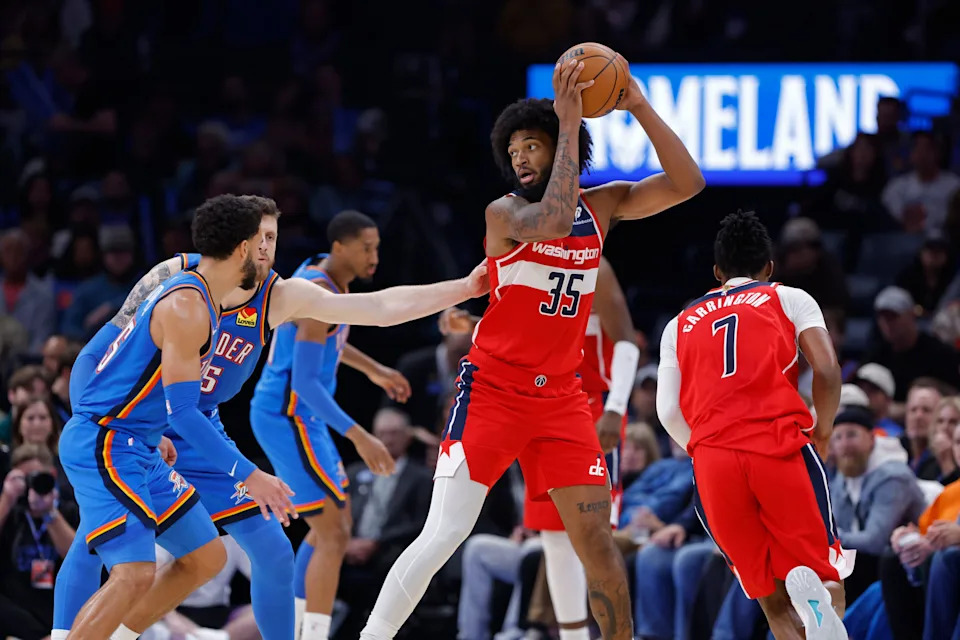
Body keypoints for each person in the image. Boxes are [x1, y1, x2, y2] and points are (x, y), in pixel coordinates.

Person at [360, 54, 704, 640]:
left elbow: (687, 183)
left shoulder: (601, 208)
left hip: (563, 402)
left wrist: (639, 105)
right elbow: (550, 220)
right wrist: (567, 123)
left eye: (531, 146)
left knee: (596, 541)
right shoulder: (505, 214)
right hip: (493, 390)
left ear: (559, 147)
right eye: (513, 151)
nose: (520, 158)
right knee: (444, 533)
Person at [53, 196, 489, 639]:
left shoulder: (278, 296)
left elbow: (376, 309)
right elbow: (98, 351)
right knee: (105, 547)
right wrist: (88, 417)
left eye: (273, 238)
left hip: (193, 427)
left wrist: (464, 287)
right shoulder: (178, 281)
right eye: (259, 238)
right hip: (127, 428)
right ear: (239, 243)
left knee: (256, 552)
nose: (266, 249)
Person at [656, 210, 853, 640]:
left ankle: (797, 615)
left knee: (770, 600)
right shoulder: (788, 297)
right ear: (769, 268)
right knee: (825, 573)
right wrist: (822, 427)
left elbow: (667, 411)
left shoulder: (679, 323)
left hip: (713, 462)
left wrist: (707, 446)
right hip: (777, 444)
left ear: (716, 272)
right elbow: (828, 369)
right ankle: (823, 610)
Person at [440, 255, 640, 640]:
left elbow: (627, 342)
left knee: (592, 537)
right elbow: (517, 330)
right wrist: (468, 325)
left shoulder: (594, 266)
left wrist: (615, 409)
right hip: (544, 404)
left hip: (593, 407)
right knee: (553, 535)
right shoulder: (538, 264)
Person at [249, 210, 412, 640]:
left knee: (332, 529)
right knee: (332, 532)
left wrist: (373, 369)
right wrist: (359, 436)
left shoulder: (325, 275)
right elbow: (303, 382)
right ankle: (311, 633)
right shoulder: (317, 291)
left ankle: (302, 627)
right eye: (367, 247)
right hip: (287, 414)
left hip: (300, 413)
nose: (374, 256)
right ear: (341, 247)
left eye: (376, 247)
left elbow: (329, 338)